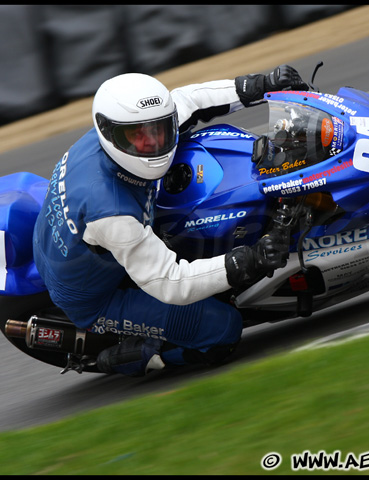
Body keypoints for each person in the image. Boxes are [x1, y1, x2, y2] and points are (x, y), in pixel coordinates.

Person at [33, 65, 309, 376]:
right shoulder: (111, 212)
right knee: (223, 329)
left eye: (159, 130)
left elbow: (187, 100)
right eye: (139, 137)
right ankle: (142, 354)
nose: (153, 142)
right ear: (109, 134)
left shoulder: (126, 126)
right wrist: (249, 260)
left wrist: (260, 84)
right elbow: (169, 283)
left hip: (77, 242)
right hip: (97, 295)